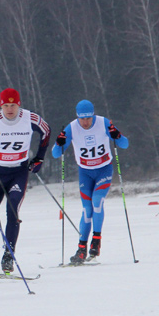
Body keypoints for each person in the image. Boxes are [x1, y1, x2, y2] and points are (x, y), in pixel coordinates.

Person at [0, 87, 50, 274]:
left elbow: (46, 132)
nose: (10, 110)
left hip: (18, 173)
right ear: (1, 105)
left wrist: (39, 158)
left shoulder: (30, 118)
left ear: (19, 105)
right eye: (6, 105)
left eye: (13, 105)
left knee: (12, 210)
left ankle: (8, 256)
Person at [52, 99, 128, 265]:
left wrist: (117, 136)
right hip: (85, 173)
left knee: (97, 202)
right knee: (87, 210)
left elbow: (124, 144)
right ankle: (81, 249)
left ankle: (96, 240)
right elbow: (56, 154)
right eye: (82, 118)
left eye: (88, 118)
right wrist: (59, 143)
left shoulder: (103, 123)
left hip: (104, 170)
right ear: (77, 116)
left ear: (93, 115)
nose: (85, 122)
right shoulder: (72, 127)